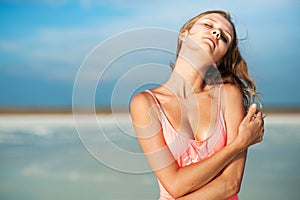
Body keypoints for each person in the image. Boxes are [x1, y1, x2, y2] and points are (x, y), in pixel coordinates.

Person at [130, 10, 264, 200]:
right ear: (184, 34)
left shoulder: (228, 96)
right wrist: (239, 144)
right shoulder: (146, 103)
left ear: (221, 58)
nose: (217, 33)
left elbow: (231, 184)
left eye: (225, 37)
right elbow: (175, 185)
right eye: (208, 25)